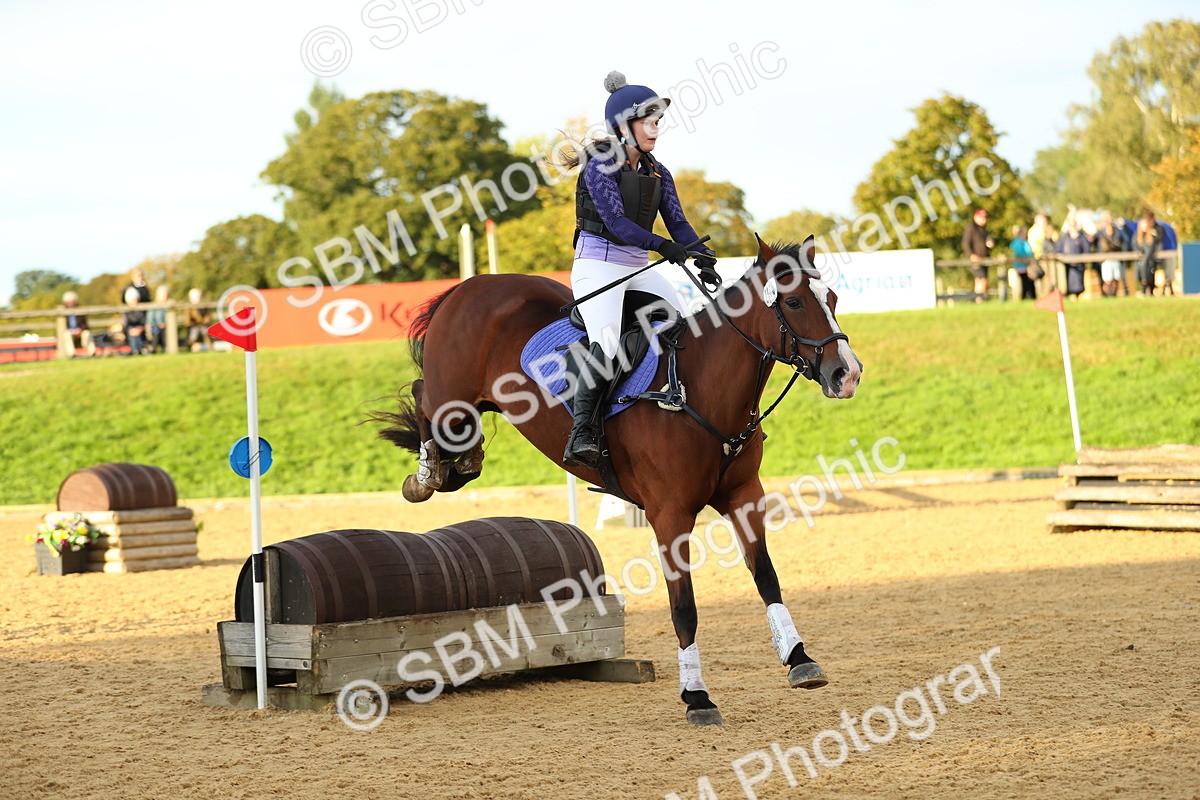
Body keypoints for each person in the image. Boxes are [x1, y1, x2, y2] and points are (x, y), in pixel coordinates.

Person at [562, 70, 719, 468]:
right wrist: (664, 246)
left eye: (658, 121)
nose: (656, 128)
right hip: (597, 266)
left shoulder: (658, 172)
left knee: (681, 325)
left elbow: (678, 223)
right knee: (608, 343)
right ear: (623, 126)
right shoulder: (600, 165)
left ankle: (660, 404)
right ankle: (583, 430)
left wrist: (701, 255)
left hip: (636, 269)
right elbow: (617, 225)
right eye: (649, 121)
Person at [961, 208, 993, 302]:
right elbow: (965, 243)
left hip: (984, 259)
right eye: (981, 217)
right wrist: (971, 255)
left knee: (981, 280)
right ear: (975, 217)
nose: (984, 219)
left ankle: (979, 300)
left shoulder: (984, 230)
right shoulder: (971, 228)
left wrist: (990, 245)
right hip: (975, 259)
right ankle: (979, 300)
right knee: (981, 279)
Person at [1056, 214, 1091, 299]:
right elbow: (1058, 249)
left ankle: (1077, 296)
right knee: (1069, 282)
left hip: (1079, 265)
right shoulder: (1064, 237)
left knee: (1079, 282)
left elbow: (1086, 249)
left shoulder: (1081, 237)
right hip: (1068, 265)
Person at [1094, 211, 1129, 297]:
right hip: (1105, 260)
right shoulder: (1100, 233)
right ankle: (1107, 295)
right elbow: (1094, 243)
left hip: (1117, 259)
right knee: (1107, 279)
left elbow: (1125, 242)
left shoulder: (1118, 232)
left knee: (1116, 279)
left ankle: (1113, 294)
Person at [1135, 210, 1166, 296]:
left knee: (1150, 271)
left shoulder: (1154, 233)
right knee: (1141, 271)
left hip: (1150, 260)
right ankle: (1144, 289)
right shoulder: (1139, 236)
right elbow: (1134, 244)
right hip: (1143, 260)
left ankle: (1150, 290)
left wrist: (1145, 258)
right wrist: (1139, 252)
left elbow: (1152, 247)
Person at [61, 291, 96, 357]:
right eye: (68, 302)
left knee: (87, 333)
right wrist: (73, 331)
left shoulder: (81, 311)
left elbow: (85, 325)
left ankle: (92, 353)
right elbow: (63, 326)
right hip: (70, 332)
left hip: (80, 331)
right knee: (67, 334)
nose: (70, 303)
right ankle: (71, 354)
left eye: (71, 301)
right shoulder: (63, 313)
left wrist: (80, 330)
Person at [1009, 226, 1035, 300]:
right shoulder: (1017, 242)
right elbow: (1019, 253)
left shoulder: (1025, 242)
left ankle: (1029, 296)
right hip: (1021, 265)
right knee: (1024, 282)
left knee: (1029, 282)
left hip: (1028, 265)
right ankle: (1024, 297)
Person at [122, 287, 147, 354]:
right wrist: (131, 329)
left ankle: (138, 349)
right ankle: (136, 350)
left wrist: (140, 328)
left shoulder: (141, 309)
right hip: (130, 329)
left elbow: (143, 321)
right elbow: (126, 323)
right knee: (132, 333)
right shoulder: (126, 311)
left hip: (140, 328)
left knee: (136, 332)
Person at [145, 285, 169, 352]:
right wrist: (158, 324)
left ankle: (166, 349)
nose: (165, 296)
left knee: (165, 331)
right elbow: (150, 319)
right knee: (156, 331)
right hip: (155, 326)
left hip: (167, 327)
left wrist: (165, 323)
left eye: (166, 294)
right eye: (163, 294)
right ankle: (153, 349)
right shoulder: (153, 305)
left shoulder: (169, 305)